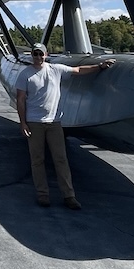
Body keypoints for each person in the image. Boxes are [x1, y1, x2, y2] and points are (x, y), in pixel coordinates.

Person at [16, 43, 114, 208]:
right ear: (32, 55)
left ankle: (69, 195)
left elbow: (78, 70)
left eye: (41, 54)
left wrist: (99, 66)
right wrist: (23, 123)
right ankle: (43, 194)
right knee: (37, 160)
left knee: (60, 158)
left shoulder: (56, 69)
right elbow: (20, 100)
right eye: (35, 54)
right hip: (34, 123)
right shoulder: (25, 74)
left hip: (54, 123)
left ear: (46, 55)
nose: (38, 57)